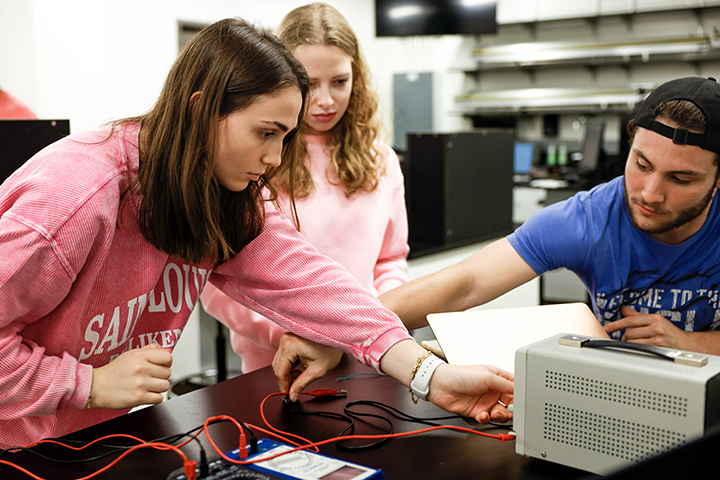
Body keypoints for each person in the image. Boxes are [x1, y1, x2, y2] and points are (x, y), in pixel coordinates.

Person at [0, 17, 512, 449]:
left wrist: (431, 376)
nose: (273, 159)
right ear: (202, 109)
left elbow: (316, 286)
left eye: (285, 137)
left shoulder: (222, 190)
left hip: (110, 436)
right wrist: (87, 384)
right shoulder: (75, 197)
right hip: (21, 449)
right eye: (265, 133)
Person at [279, 76, 720, 384]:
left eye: (681, 180)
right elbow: (465, 283)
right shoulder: (591, 218)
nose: (650, 192)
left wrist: (690, 343)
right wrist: (341, 332)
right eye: (640, 164)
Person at [200, 2, 409, 375]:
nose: (326, 100)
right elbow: (219, 282)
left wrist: (367, 326)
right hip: (278, 362)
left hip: (368, 354)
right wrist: (292, 334)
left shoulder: (382, 159)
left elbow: (389, 260)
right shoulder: (249, 159)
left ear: (356, 77)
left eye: (340, 82)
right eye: (309, 84)